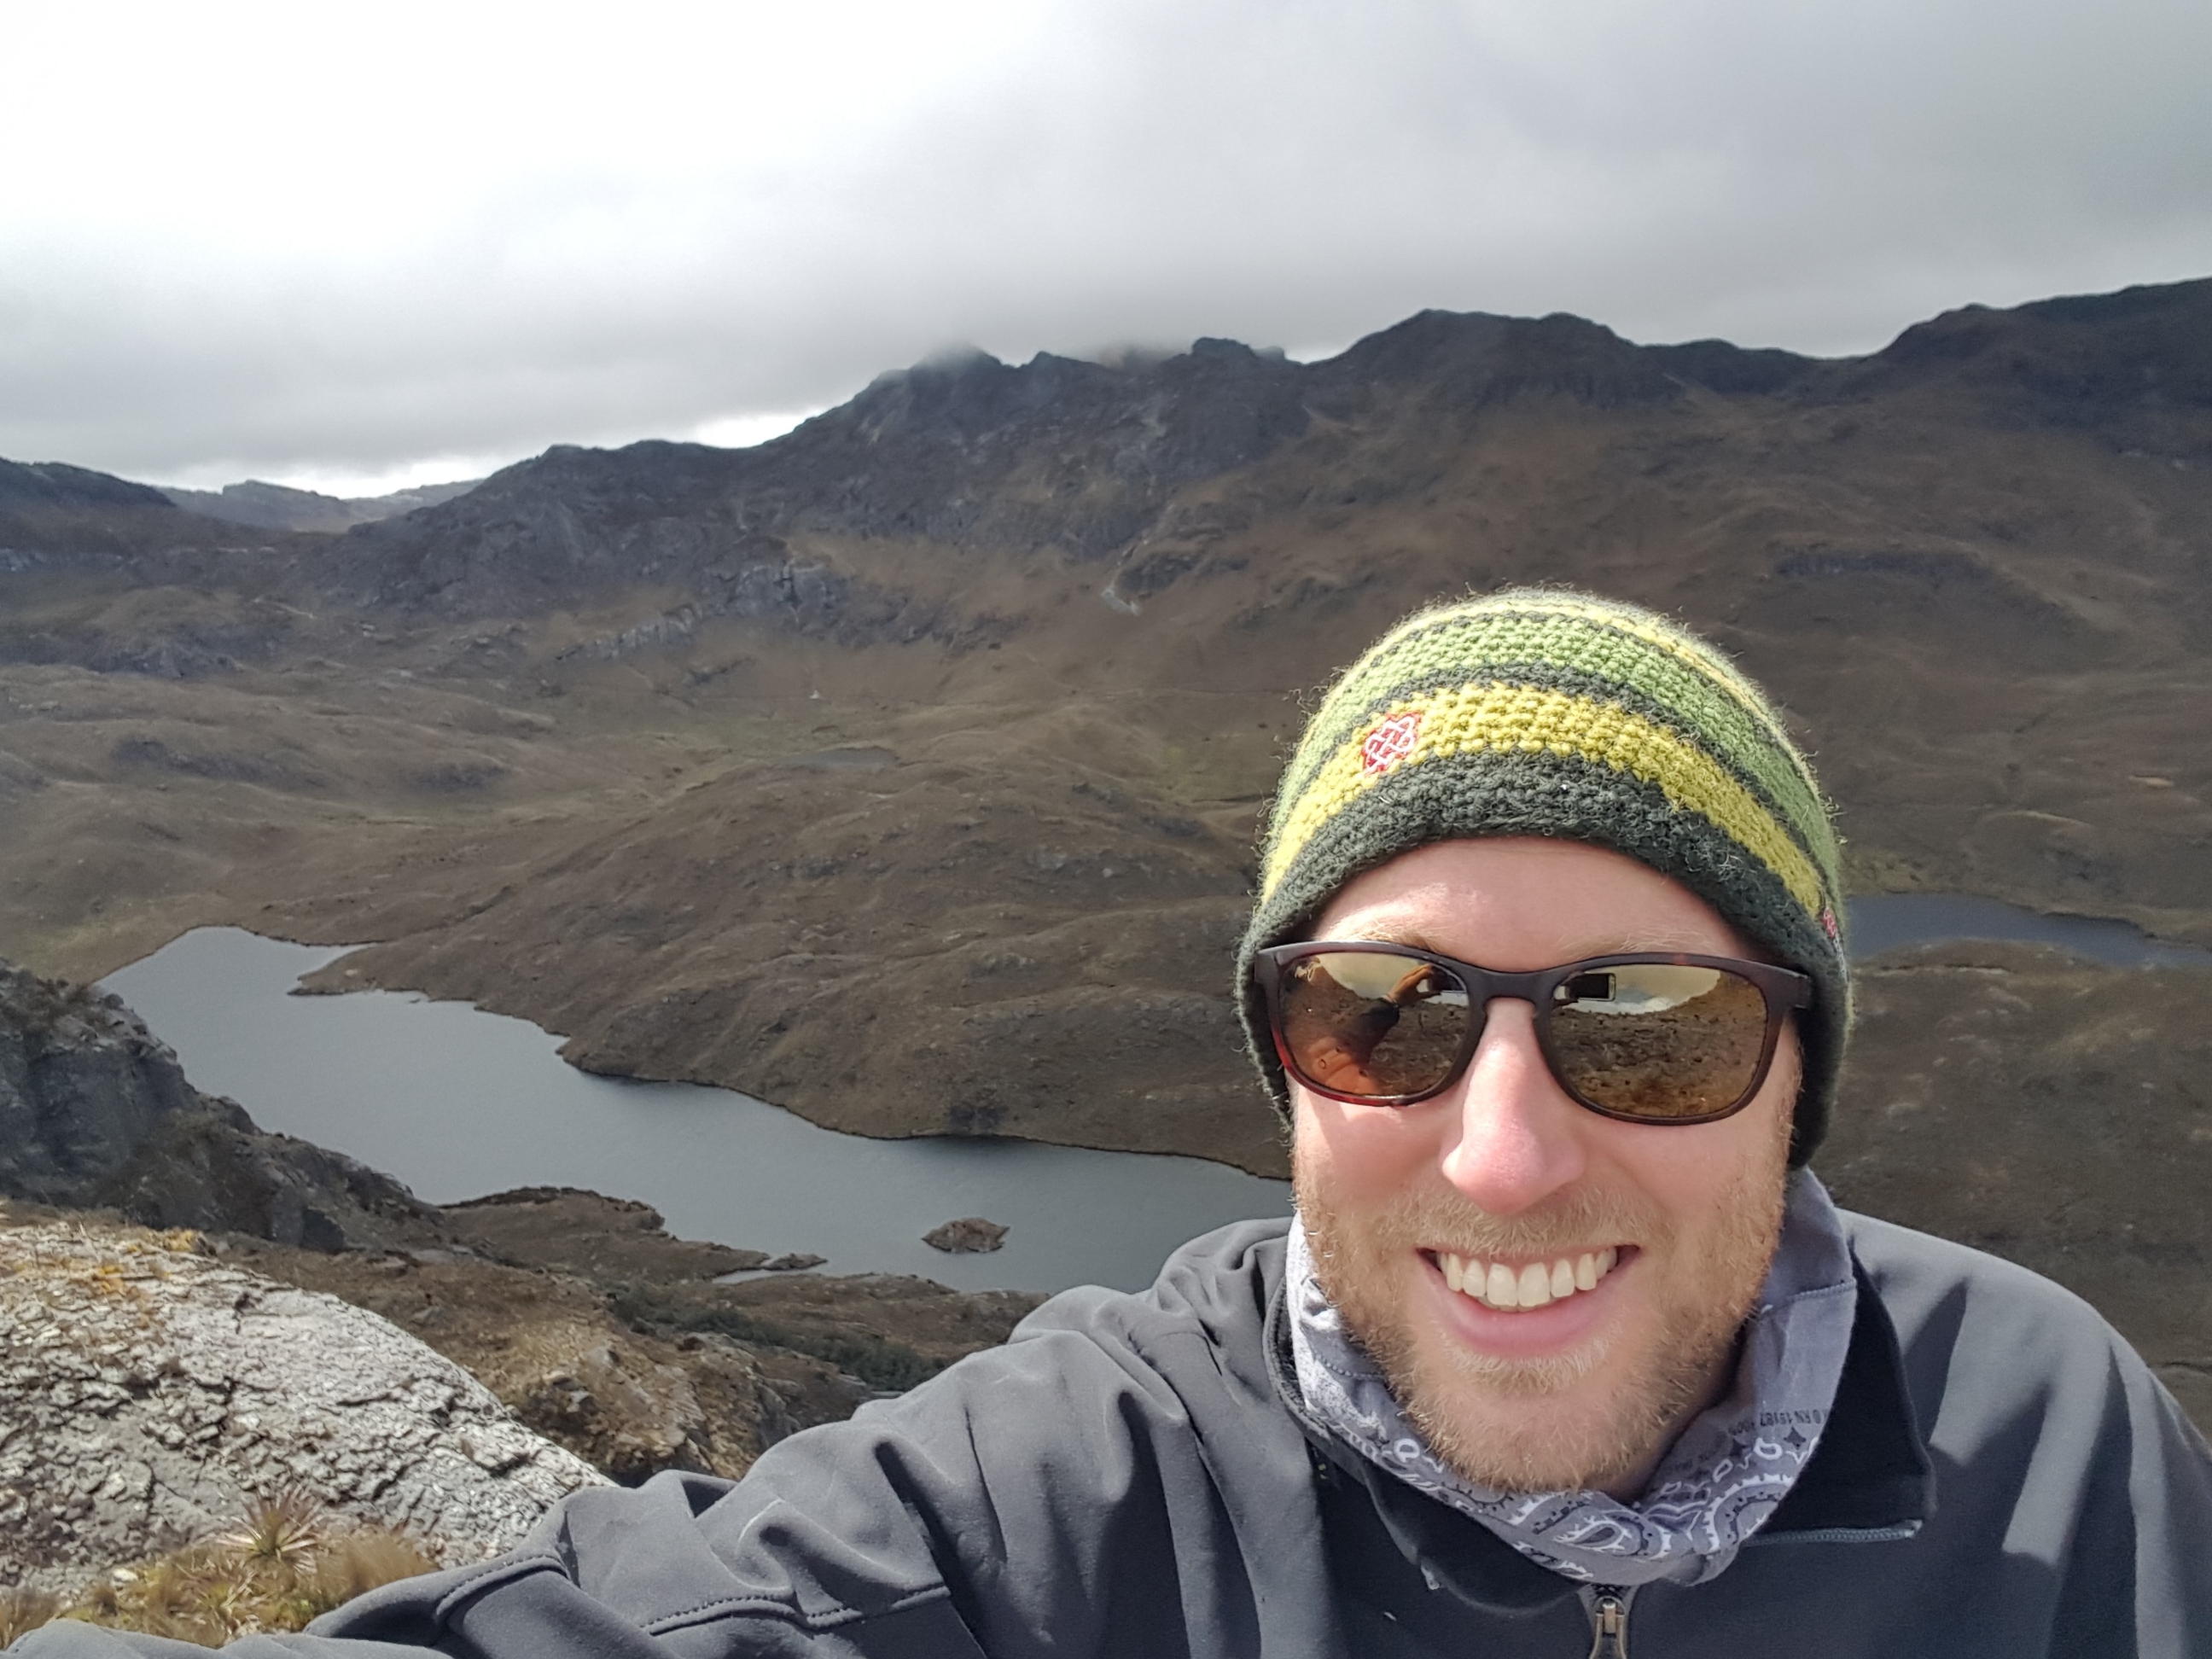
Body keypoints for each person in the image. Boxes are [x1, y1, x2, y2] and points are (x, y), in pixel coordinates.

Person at [24, 590, 2210, 1656]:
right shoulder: (1075, 1495)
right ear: (1278, 1059)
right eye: (1382, 1017)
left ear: (1806, 1071)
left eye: (1645, 1023)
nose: (1508, 1151)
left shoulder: (2052, 1441)